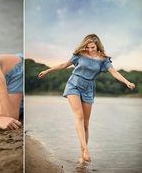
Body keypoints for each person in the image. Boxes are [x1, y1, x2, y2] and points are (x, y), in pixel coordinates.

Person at [38, 34, 135, 163]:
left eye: (92, 47)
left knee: (86, 124)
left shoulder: (103, 60)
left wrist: (127, 82)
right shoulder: (79, 54)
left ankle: (82, 154)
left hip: (89, 88)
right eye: (87, 47)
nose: (89, 49)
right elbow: (64, 65)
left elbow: (114, 72)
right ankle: (85, 150)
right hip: (74, 84)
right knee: (79, 116)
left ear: (98, 46)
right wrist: (47, 70)